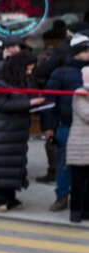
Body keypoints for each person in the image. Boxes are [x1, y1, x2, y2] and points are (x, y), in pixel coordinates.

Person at [0, 50, 43, 212]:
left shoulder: (22, 81)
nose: (30, 72)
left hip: (15, 134)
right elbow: (3, 104)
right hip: (0, 133)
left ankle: (8, 197)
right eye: (27, 69)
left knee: (10, 167)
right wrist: (30, 103)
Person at [45, 34, 89, 212]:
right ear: (77, 53)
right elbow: (49, 101)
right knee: (65, 164)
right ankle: (62, 196)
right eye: (86, 51)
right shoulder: (60, 72)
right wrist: (48, 126)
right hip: (66, 125)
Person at [68, 66, 89, 222]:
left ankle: (87, 212)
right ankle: (76, 212)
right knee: (78, 181)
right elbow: (86, 115)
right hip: (80, 143)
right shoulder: (80, 93)